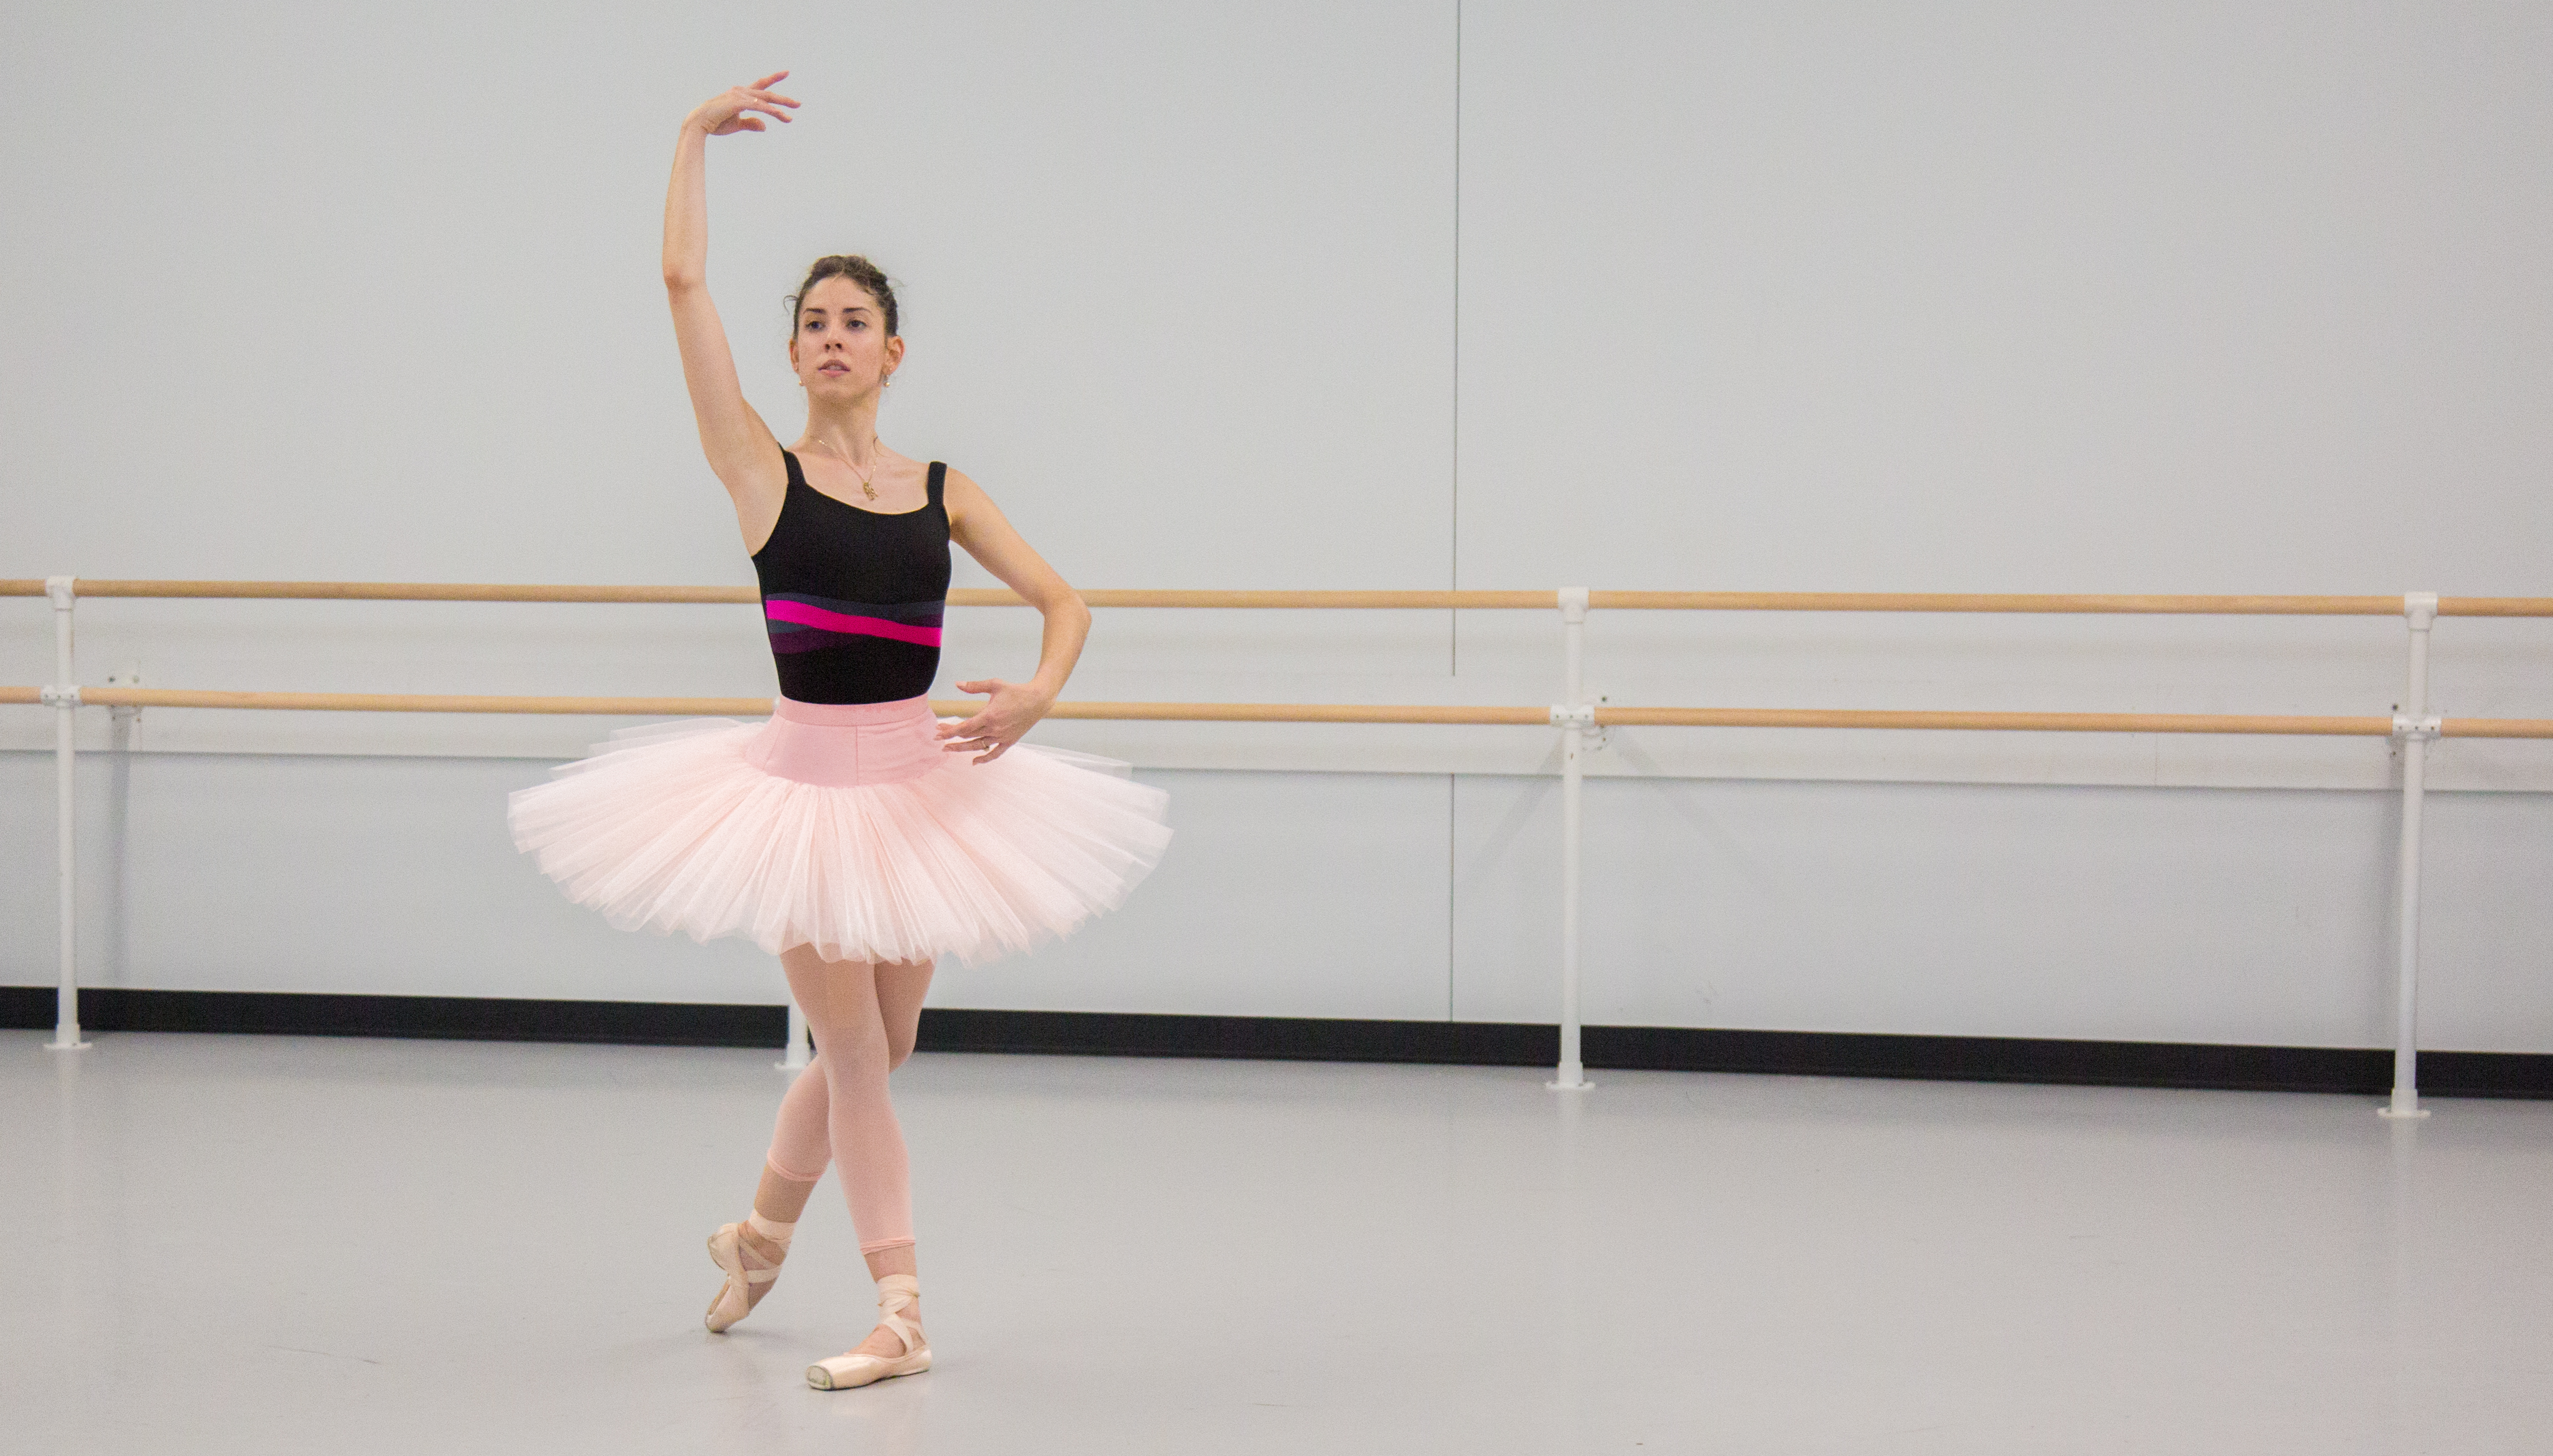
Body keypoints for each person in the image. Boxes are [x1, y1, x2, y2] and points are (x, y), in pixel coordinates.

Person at [508, 72, 1171, 1392]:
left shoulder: (939, 486)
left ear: (891, 351)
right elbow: (684, 291)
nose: (827, 337)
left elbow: (1066, 601)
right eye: (810, 321)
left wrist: (1040, 691)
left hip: (925, 788)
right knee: (854, 1048)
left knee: (894, 1044)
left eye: (852, 321)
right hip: (806, 793)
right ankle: (902, 1310)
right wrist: (689, 140)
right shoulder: (762, 470)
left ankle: (758, 1232)